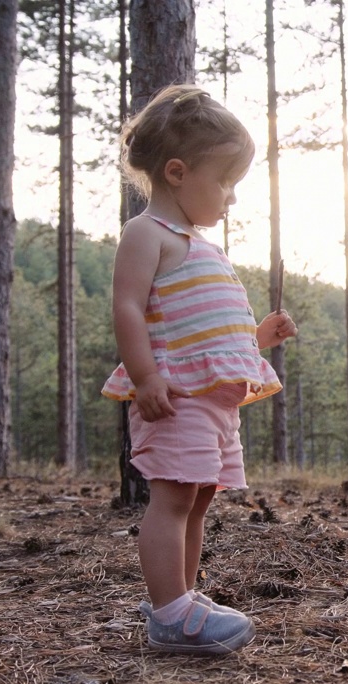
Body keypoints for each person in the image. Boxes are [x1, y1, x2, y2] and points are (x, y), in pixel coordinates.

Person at [102, 85, 298, 655]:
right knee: (172, 500)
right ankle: (169, 612)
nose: (231, 198)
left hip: (211, 403)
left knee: (198, 498)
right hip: (175, 395)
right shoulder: (147, 235)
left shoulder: (201, 245)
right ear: (179, 172)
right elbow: (128, 309)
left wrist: (259, 337)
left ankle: (182, 595)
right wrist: (144, 377)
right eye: (226, 182)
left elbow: (207, 331)